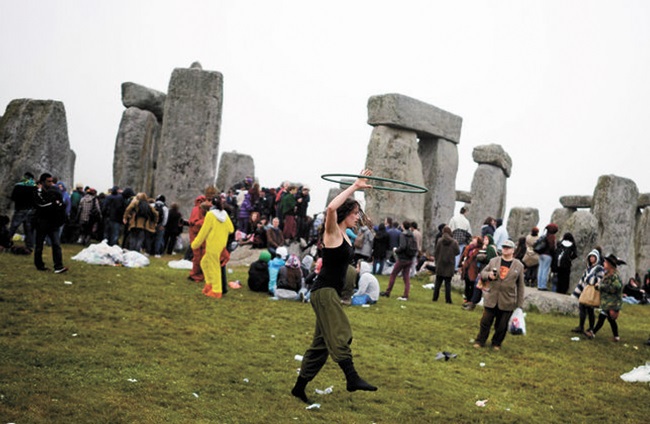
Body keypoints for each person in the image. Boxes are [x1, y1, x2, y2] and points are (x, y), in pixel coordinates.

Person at [291, 170, 377, 405]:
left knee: (321, 346)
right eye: (355, 213)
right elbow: (331, 209)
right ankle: (352, 377)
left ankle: (299, 388)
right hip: (324, 291)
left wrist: (363, 209)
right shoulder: (331, 232)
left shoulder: (346, 234)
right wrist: (355, 187)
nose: (357, 217)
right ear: (346, 213)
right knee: (341, 332)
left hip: (331, 293)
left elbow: (365, 227)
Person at [473, 239, 525, 350]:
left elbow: (520, 286)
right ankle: (480, 341)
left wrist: (519, 305)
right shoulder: (493, 261)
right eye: (504, 247)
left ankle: (496, 343)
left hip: (507, 300)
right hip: (491, 297)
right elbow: (482, 273)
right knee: (485, 322)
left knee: (502, 325)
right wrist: (489, 275)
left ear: (513, 250)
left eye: (508, 248)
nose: (505, 249)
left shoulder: (518, 265)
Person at [190, 196, 235, 299]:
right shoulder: (225, 215)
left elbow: (203, 232)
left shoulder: (210, 215)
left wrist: (195, 244)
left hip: (212, 245)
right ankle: (209, 285)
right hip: (221, 245)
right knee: (204, 263)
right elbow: (231, 229)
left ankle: (216, 290)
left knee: (214, 268)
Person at [33, 173, 68, 273]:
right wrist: (53, 204)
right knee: (39, 245)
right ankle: (39, 264)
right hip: (42, 222)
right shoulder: (38, 192)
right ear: (43, 182)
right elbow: (40, 204)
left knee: (56, 244)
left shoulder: (54, 191)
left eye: (51, 181)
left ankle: (58, 266)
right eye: (49, 181)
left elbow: (60, 205)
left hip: (53, 223)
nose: (51, 183)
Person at [588, 254, 625, 341]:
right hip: (608, 301)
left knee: (604, 318)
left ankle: (592, 333)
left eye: (605, 262)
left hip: (612, 302)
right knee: (608, 319)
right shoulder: (607, 274)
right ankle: (616, 336)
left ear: (610, 265)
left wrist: (601, 287)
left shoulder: (614, 276)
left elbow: (616, 287)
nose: (603, 263)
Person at [380, 220, 417, 301]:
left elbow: (403, 246)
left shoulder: (403, 235)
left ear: (403, 226)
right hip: (410, 258)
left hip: (402, 258)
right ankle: (406, 294)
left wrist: (396, 250)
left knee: (393, 274)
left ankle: (388, 292)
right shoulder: (412, 235)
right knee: (406, 277)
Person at [571, 249, 604, 335]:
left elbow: (599, 279)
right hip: (585, 290)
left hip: (592, 291)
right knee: (582, 307)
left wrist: (589, 279)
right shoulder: (588, 268)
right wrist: (577, 292)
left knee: (590, 309)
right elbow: (582, 281)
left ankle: (591, 327)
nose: (591, 258)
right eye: (590, 257)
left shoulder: (599, 268)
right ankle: (581, 326)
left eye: (593, 257)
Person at [8, 172, 37, 252]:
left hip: (20, 209)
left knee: (13, 227)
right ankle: (30, 246)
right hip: (30, 210)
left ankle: (5, 243)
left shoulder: (18, 186)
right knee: (29, 230)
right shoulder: (34, 187)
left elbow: (13, 197)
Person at [432, 226, 460, 304]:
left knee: (438, 282)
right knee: (448, 283)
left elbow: (436, 251)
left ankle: (435, 297)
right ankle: (448, 300)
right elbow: (457, 252)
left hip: (440, 263)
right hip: (449, 264)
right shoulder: (454, 242)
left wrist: (436, 261)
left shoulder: (439, 241)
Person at [537, 223, 559, 291]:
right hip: (548, 255)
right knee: (545, 270)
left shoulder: (544, 235)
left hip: (541, 254)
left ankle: (539, 284)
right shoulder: (552, 237)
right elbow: (552, 247)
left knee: (540, 269)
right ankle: (543, 285)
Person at [460, 236, 481, 305]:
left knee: (471, 284)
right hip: (466, 268)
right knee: (467, 284)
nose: (473, 241)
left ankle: (470, 300)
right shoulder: (468, 248)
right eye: (473, 239)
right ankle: (466, 298)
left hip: (473, 268)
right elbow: (464, 256)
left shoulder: (478, 250)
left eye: (475, 240)